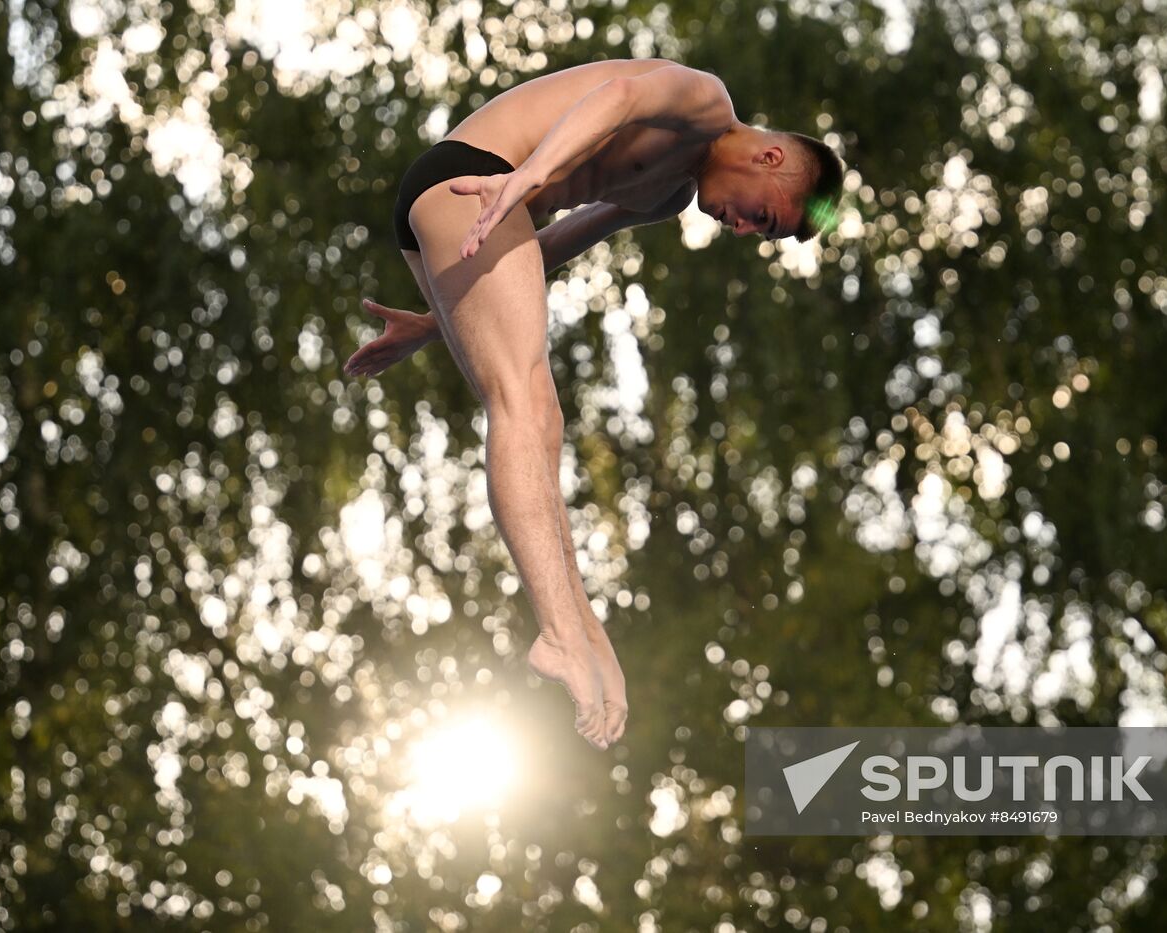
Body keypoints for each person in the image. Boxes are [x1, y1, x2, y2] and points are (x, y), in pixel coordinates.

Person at [344, 58, 844, 750]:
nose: (739, 229)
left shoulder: (667, 195)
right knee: (526, 405)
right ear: (770, 155)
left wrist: (437, 321)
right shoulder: (705, 101)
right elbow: (619, 95)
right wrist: (529, 176)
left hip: (473, 209)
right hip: (476, 177)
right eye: (760, 215)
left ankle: (580, 627)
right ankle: (558, 631)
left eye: (756, 233)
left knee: (539, 426)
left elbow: (555, 244)